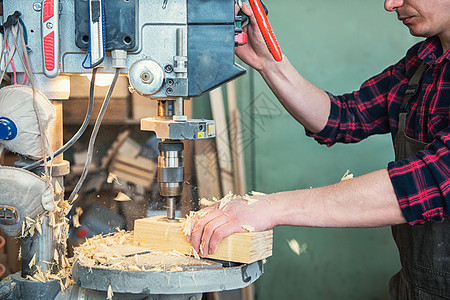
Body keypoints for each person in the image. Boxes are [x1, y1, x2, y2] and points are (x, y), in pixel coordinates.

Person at [187, 0, 450, 298]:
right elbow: (343, 117)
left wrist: (269, 207)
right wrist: (269, 64)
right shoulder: (423, 63)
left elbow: (431, 180)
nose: (390, 4)